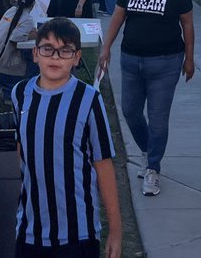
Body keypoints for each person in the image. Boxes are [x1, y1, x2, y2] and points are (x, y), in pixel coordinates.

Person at [13, 18, 122, 258]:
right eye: (47, 49)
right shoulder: (20, 93)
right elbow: (22, 150)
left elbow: (103, 164)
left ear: (77, 58)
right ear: (35, 53)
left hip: (76, 234)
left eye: (65, 51)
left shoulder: (89, 100)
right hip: (30, 229)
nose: (55, 57)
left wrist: (115, 231)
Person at [99, 0, 195, 197]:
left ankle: (153, 168)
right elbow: (118, 17)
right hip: (131, 60)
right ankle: (146, 149)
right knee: (130, 110)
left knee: (158, 118)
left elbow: (187, 24)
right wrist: (106, 48)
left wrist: (189, 57)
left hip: (166, 62)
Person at [0, 0, 39, 92]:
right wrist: (33, 35)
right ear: (33, 4)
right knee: (38, 64)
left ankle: (7, 90)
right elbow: (15, 38)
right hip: (3, 68)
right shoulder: (27, 19)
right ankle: (20, 92)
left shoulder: (10, 11)